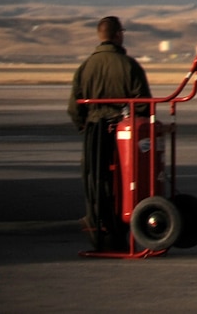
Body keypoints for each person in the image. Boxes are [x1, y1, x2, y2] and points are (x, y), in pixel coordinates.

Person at [68, 16, 150, 251]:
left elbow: (74, 107)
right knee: (126, 182)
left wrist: (83, 124)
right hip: (124, 135)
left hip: (95, 132)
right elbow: (143, 103)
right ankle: (124, 231)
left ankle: (99, 230)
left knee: (95, 182)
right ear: (118, 35)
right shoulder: (129, 65)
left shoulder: (85, 67)